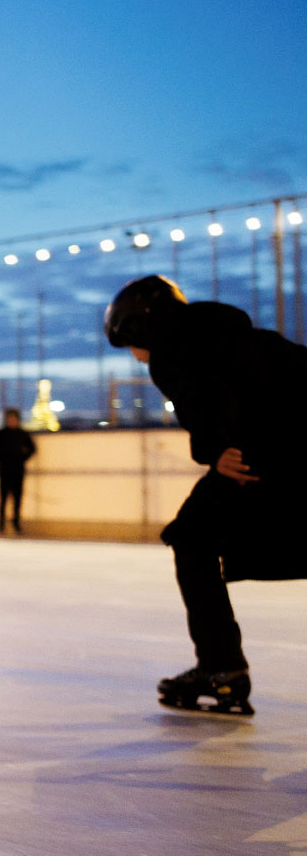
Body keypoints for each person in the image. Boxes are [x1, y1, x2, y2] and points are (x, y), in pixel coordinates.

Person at [105, 274, 307, 716]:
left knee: (190, 537)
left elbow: (206, 397)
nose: (138, 360)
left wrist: (216, 448)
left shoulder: (172, 352)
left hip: (263, 462)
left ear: (142, 328)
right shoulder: (251, 337)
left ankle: (222, 668)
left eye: (131, 347)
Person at [0, 406, 36, 533]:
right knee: (3, 499)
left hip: (18, 471)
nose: (12, 421)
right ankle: (1, 525)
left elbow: (32, 449)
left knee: (17, 499)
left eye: (14, 419)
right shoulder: (0, 434)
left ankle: (16, 524)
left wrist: (22, 458)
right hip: (4, 471)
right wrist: (1, 458)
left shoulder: (22, 434)